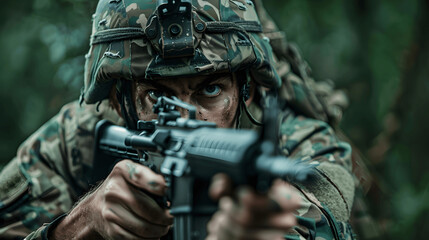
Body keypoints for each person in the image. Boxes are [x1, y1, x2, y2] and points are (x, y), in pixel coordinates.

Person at [0, 0, 357, 239]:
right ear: (119, 98)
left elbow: (321, 214)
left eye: (211, 90)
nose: (189, 117)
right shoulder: (75, 140)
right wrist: (79, 225)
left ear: (246, 90)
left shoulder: (292, 142)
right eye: (155, 96)